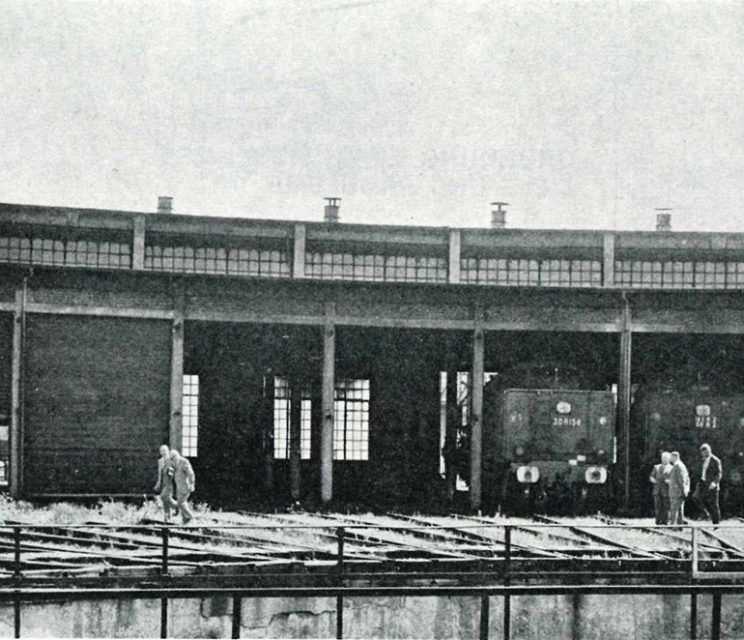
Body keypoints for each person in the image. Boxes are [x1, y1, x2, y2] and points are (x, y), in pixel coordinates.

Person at [693, 443, 722, 525]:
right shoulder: (703, 460)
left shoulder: (715, 460)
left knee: (714, 504)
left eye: (706, 452)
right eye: (702, 452)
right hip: (703, 483)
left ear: (709, 451)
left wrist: (715, 482)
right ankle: (706, 514)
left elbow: (719, 474)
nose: (704, 454)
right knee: (696, 497)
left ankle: (716, 523)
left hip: (712, 485)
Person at [170, 449, 196, 525]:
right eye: (171, 459)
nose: (172, 460)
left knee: (181, 503)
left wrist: (192, 484)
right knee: (182, 504)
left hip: (186, 486)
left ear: (176, 456)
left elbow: (191, 474)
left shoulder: (184, 462)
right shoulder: (175, 463)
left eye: (173, 458)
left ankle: (192, 517)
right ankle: (185, 520)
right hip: (179, 487)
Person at [153, 444, 177, 522]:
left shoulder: (171, 460)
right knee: (165, 501)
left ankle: (177, 506)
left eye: (165, 450)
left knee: (164, 496)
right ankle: (167, 518)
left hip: (169, 482)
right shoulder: (160, 461)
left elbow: (174, 471)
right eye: (162, 451)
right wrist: (158, 483)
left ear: (168, 451)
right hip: (163, 483)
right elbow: (159, 473)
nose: (163, 452)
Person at [649, 451, 672, 524]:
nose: (663, 459)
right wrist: (653, 480)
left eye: (665, 458)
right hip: (657, 490)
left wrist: (669, 481)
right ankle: (658, 522)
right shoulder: (656, 467)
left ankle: (666, 522)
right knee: (657, 507)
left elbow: (674, 479)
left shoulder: (672, 468)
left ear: (669, 459)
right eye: (662, 458)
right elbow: (651, 476)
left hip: (666, 490)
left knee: (666, 507)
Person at [669, 451, 690, 525]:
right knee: (680, 510)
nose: (670, 459)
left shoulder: (677, 465)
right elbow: (686, 478)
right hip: (679, 491)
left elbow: (682, 479)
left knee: (674, 509)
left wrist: (684, 490)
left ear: (675, 457)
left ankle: (672, 526)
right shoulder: (681, 465)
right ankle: (680, 526)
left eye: (671, 457)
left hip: (677, 491)